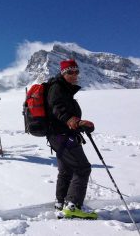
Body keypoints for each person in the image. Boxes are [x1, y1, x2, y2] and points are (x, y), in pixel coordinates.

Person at [46, 59, 97, 219]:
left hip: (59, 135)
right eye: (70, 72)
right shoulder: (57, 88)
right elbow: (57, 108)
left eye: (76, 71)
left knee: (66, 170)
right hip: (61, 135)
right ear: (63, 73)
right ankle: (73, 206)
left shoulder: (64, 89)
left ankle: (61, 203)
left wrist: (77, 123)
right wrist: (74, 121)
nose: (74, 75)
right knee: (82, 168)